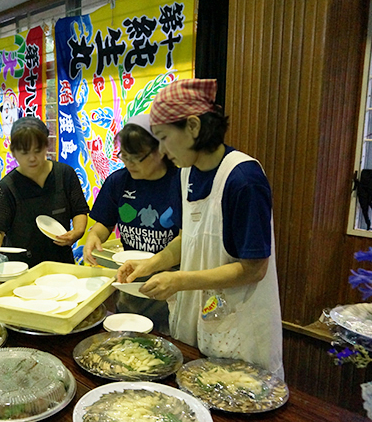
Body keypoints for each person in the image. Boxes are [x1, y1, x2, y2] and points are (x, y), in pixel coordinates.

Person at [117, 79, 283, 378]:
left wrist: (180, 280)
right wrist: (151, 264)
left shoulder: (243, 179)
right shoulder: (186, 173)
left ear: (193, 126)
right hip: (197, 318)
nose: (163, 151)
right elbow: (189, 239)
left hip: (239, 326)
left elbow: (253, 269)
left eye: (164, 138)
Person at [83, 115, 181, 334]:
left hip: (171, 283)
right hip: (130, 279)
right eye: (124, 156)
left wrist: (156, 264)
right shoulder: (119, 181)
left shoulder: (180, 182)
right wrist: (93, 236)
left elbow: (187, 238)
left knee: (169, 337)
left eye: (136, 158)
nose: (129, 164)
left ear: (160, 150)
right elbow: (104, 223)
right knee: (129, 338)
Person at [0, 117, 90, 267]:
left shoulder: (65, 174)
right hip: (22, 266)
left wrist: (77, 232)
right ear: (13, 152)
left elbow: (79, 210)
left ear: (46, 147)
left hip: (61, 261)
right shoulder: (7, 187)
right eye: (24, 152)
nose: (32, 158)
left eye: (37, 151)